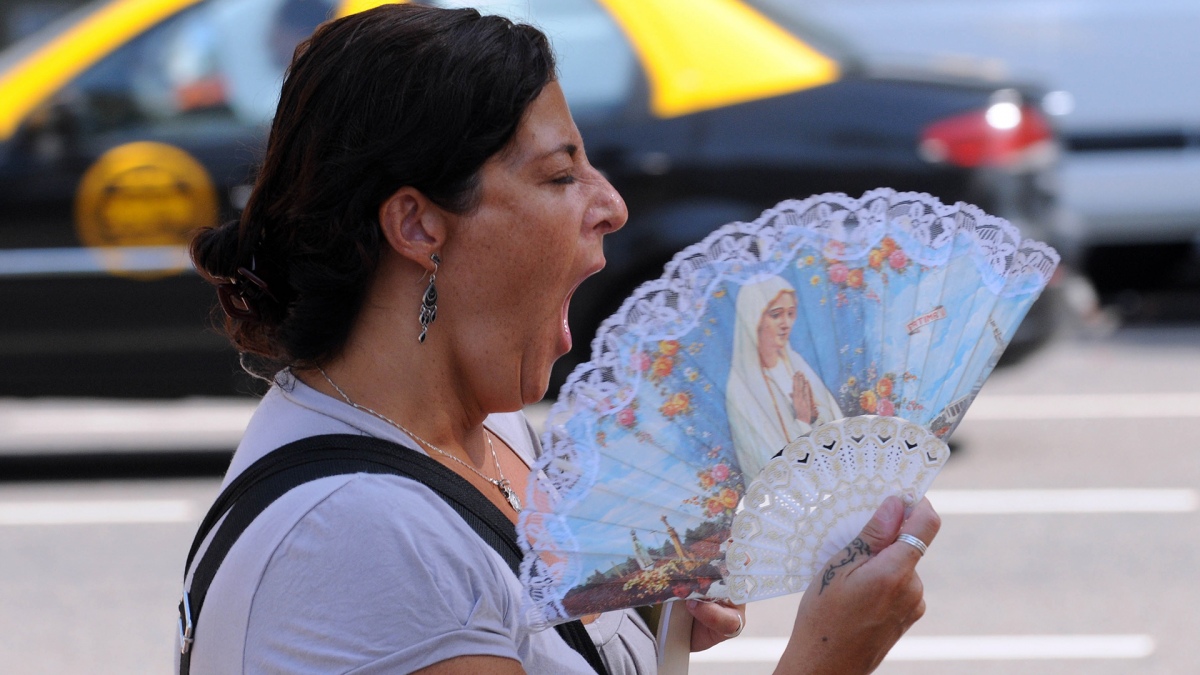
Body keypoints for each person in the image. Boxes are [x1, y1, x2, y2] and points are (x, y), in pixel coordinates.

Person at [180, 5, 940, 674]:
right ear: (416, 224)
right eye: (558, 176)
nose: (610, 205)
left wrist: (639, 613)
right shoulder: (362, 536)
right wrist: (829, 657)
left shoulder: (490, 429)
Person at [727, 276, 843, 480]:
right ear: (754, 319)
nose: (786, 323)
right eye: (776, 315)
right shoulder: (741, 389)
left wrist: (813, 418)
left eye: (791, 314)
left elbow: (835, 422)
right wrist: (802, 421)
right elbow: (762, 459)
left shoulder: (795, 363)